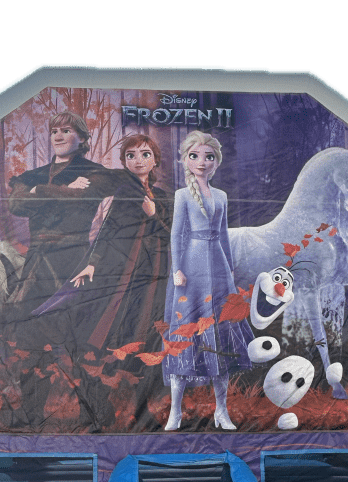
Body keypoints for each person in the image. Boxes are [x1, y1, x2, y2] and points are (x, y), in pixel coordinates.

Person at [36, 134, 172, 430]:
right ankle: (99, 407)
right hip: (122, 272)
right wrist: (91, 264)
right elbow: (107, 231)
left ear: (155, 160)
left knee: (149, 336)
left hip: (156, 276)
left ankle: (144, 408)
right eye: (131, 155)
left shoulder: (163, 198)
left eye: (145, 154)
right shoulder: (123, 193)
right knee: (108, 333)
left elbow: (171, 235)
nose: (138, 160)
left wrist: (152, 215)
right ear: (124, 162)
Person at [162, 130, 253, 431]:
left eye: (208, 157)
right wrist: (177, 269)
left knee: (220, 333)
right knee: (186, 332)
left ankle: (221, 411)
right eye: (195, 156)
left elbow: (224, 235)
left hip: (218, 268)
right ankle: (175, 411)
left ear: (216, 161)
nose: (202, 162)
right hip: (191, 268)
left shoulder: (221, 196)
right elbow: (176, 234)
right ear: (185, 160)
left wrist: (230, 270)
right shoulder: (182, 195)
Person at [8, 111, 108, 315]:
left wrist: (37, 191)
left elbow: (80, 200)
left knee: (72, 316)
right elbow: (16, 205)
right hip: (38, 259)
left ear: (82, 138)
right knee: (28, 317)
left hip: (74, 257)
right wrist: (62, 189)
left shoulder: (95, 172)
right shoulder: (32, 175)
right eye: (54, 131)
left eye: (66, 131)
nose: (58, 136)